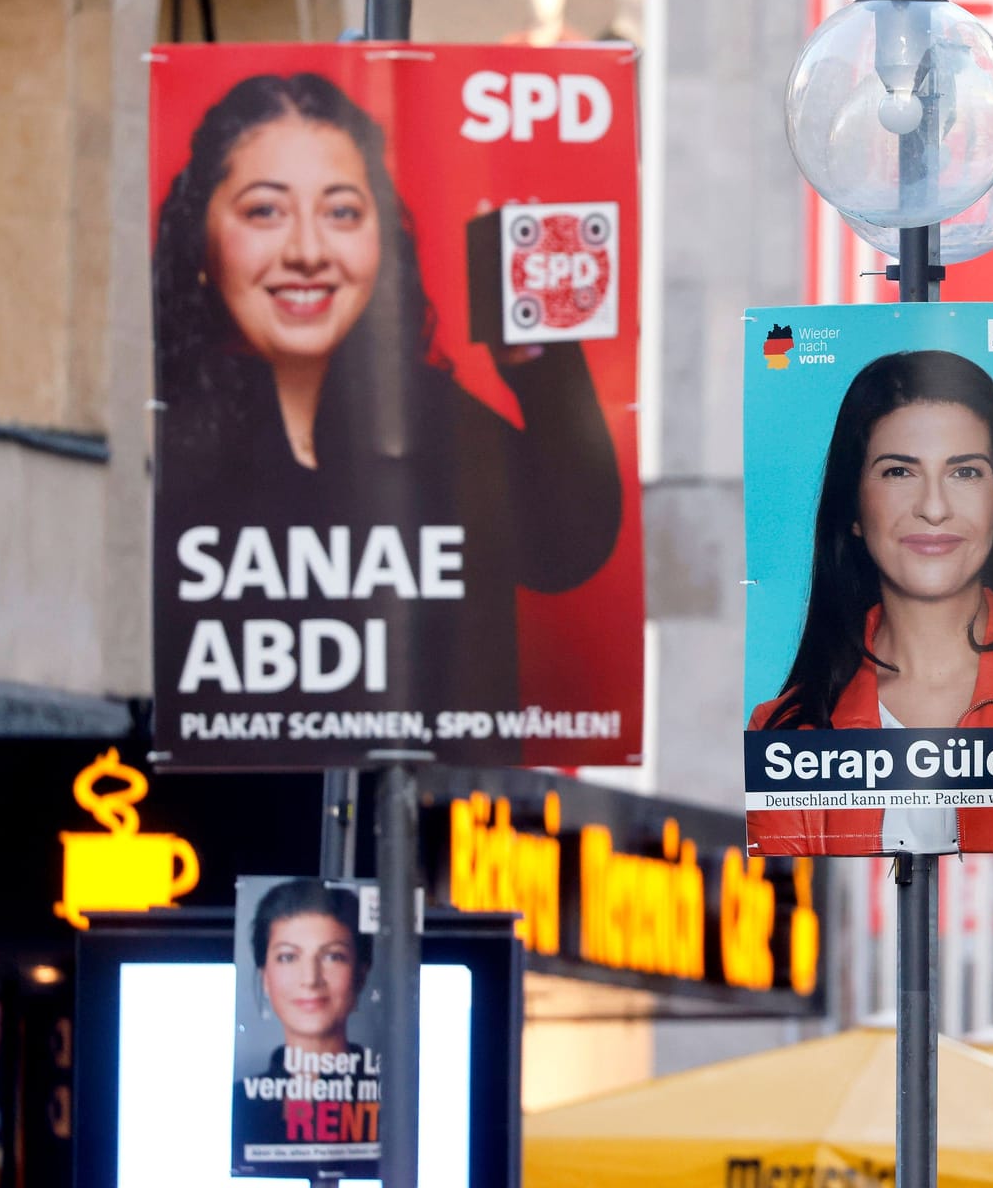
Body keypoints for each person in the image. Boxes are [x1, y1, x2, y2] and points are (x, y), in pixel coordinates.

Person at [152, 73, 621, 737]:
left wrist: (537, 357)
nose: (309, 252)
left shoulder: (422, 413)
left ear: (382, 237)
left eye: (342, 211)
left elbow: (563, 542)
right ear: (199, 237)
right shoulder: (167, 427)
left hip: (426, 818)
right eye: (265, 210)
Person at [747, 351, 993, 855]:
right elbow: (802, 908)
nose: (934, 507)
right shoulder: (786, 729)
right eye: (899, 472)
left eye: (965, 473)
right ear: (853, 509)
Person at [233, 880, 377, 1168]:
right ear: (264, 977)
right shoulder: (237, 1104)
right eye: (288, 957)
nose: (311, 979)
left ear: (361, 974)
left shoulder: (400, 1098)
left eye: (333, 956)